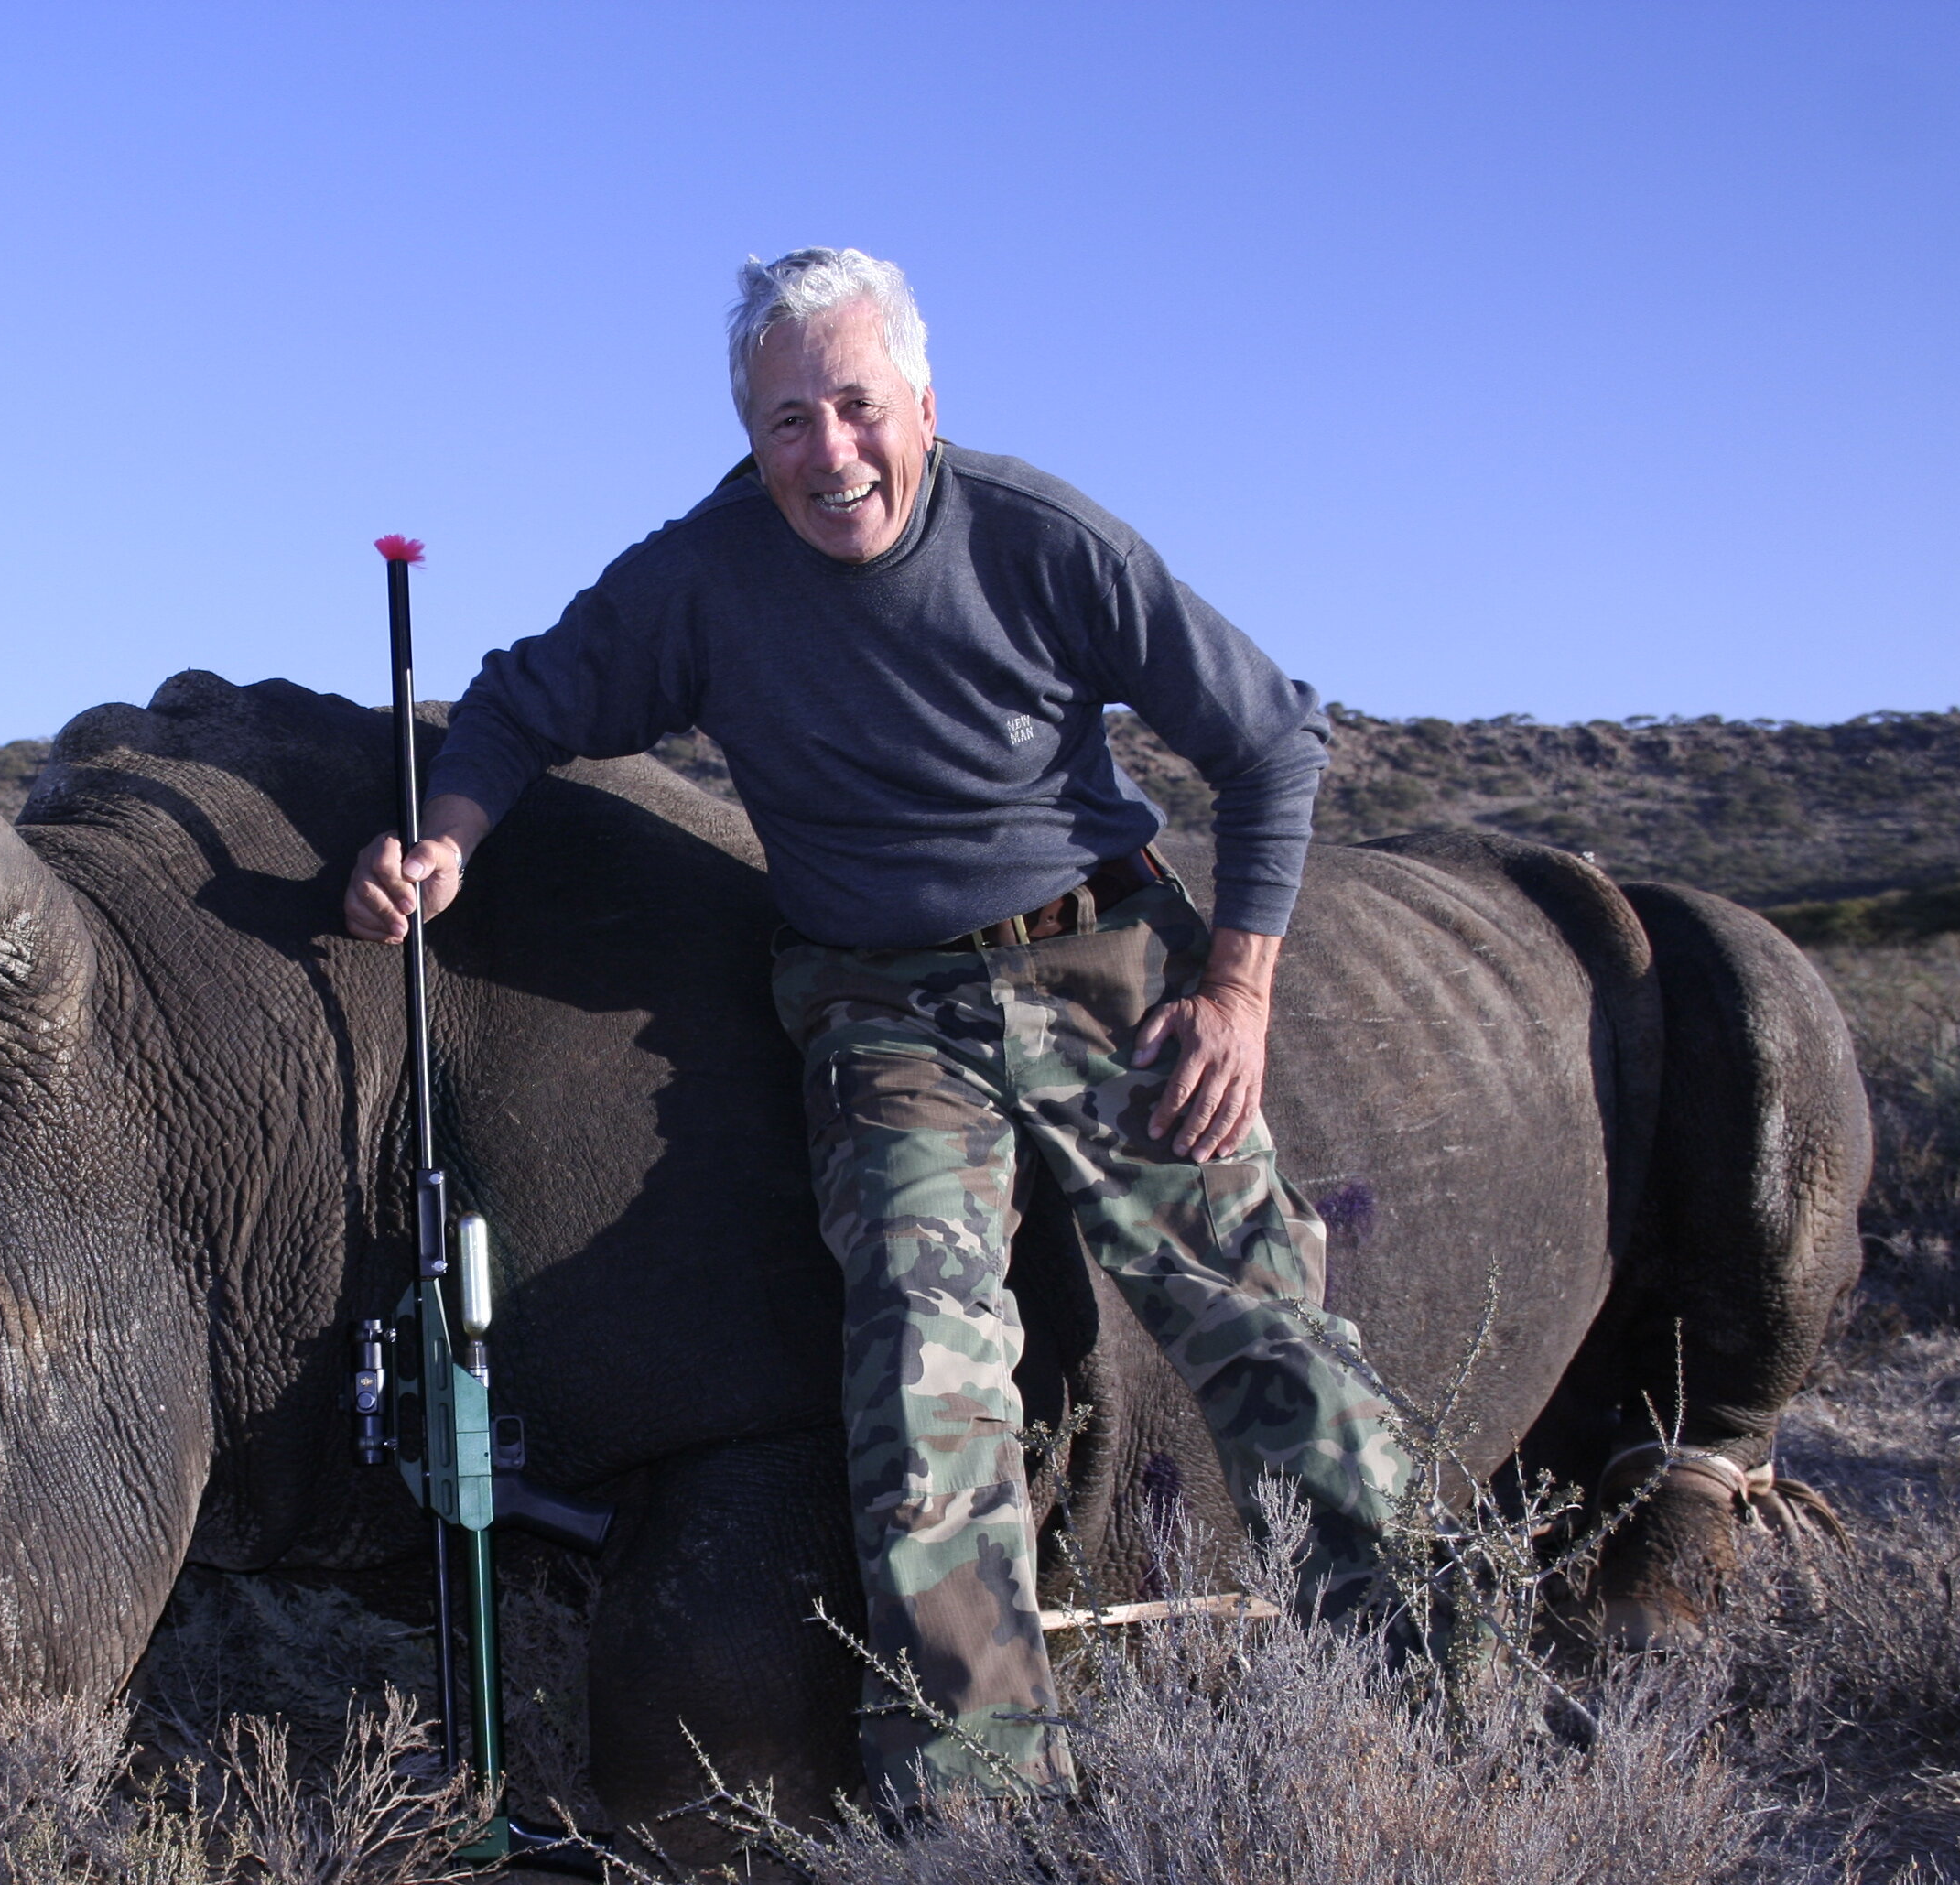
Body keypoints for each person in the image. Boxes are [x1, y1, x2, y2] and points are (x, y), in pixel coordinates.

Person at [342, 246, 1414, 1802]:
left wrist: (1236, 990)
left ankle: (1445, 1695)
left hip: (1098, 959)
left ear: (923, 400)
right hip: (881, 1004)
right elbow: (517, 703)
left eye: (856, 405)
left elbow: (1271, 739)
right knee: (922, 1363)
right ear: (746, 432)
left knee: (1262, 1319)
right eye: (786, 421)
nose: (827, 452)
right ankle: (983, 1805)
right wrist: (446, 838)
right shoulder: (700, 578)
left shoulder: (1042, 539)